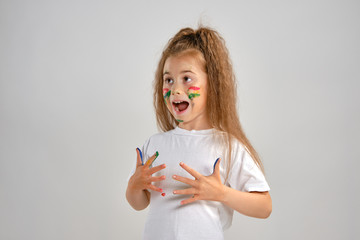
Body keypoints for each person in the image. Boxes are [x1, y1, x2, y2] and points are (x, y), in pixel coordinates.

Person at [126, 26, 272, 240]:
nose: (175, 90)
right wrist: (134, 185)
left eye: (187, 78)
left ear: (212, 85)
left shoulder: (227, 146)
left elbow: (264, 207)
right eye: (169, 80)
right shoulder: (154, 145)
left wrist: (221, 193)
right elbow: (138, 203)